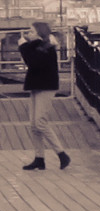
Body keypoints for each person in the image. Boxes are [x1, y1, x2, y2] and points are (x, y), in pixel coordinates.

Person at [19, 21, 70, 170]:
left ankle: (62, 154)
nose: (28, 34)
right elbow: (31, 59)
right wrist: (27, 45)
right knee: (34, 125)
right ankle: (39, 158)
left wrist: (22, 46)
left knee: (40, 122)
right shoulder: (37, 46)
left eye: (31, 31)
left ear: (39, 33)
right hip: (36, 86)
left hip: (46, 87)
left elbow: (32, 62)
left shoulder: (47, 48)